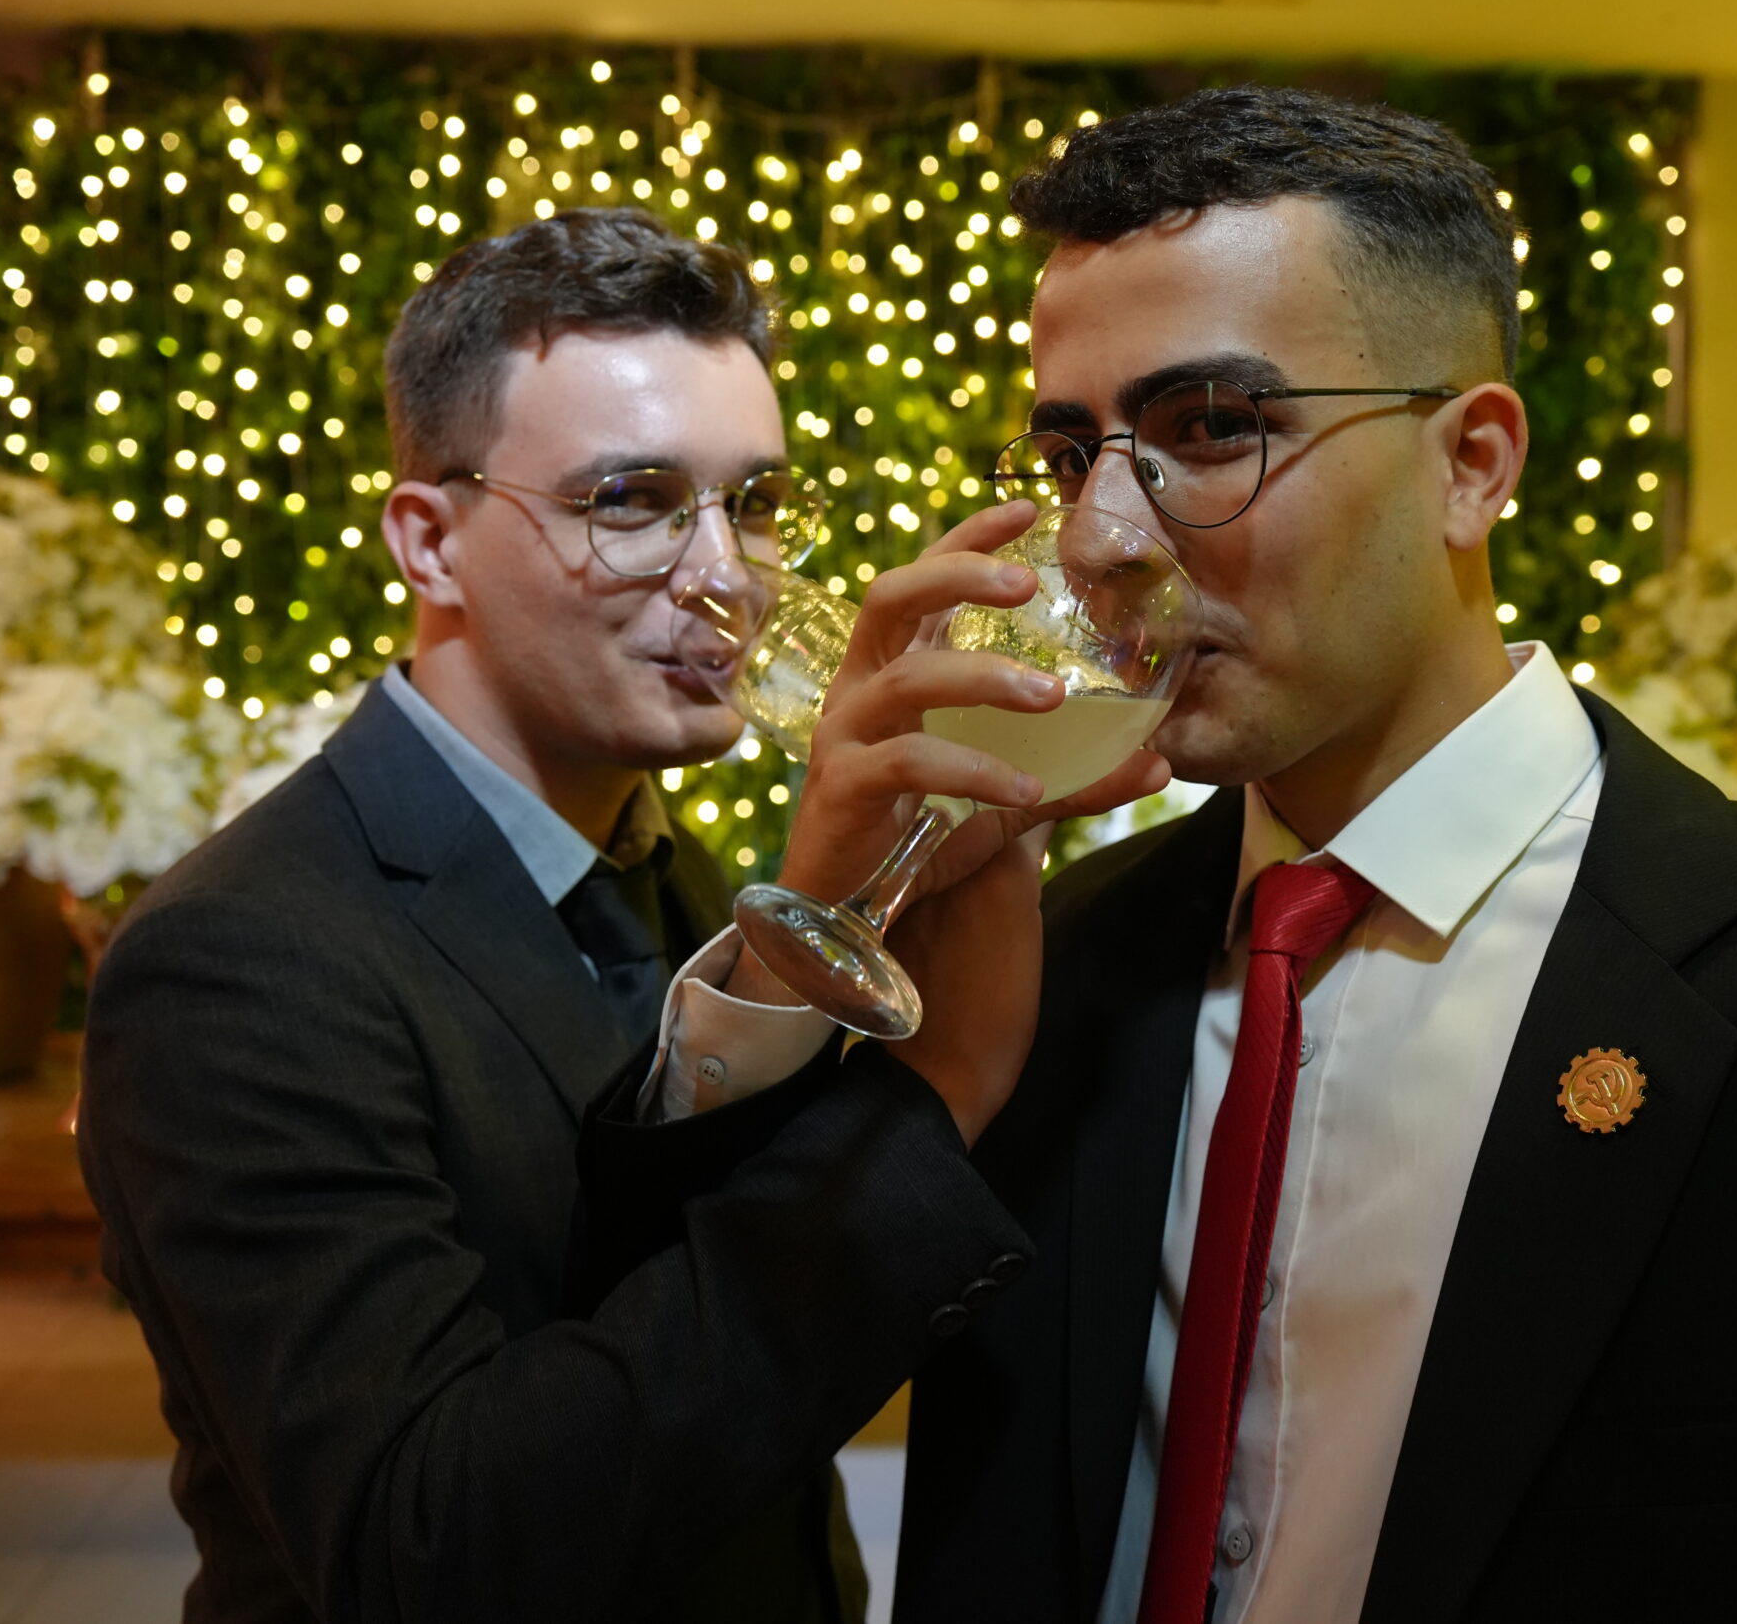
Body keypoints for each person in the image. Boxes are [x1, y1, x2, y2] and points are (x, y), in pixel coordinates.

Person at [659, 88, 1737, 1621]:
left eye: (1212, 428)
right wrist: (818, 931)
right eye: (1075, 454)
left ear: (1472, 464)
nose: (1099, 539)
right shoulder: (1054, 957)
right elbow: (684, 1425)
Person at [78, 208, 1127, 1624]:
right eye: (632, 502)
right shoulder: (242, 957)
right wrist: (930, 1098)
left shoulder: (669, 871)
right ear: (431, 545)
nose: (727, 573)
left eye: (754, 504)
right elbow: (425, 1553)